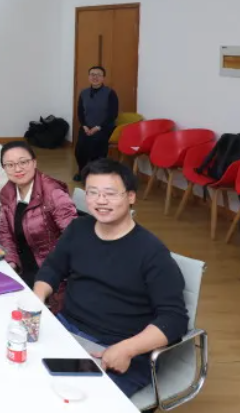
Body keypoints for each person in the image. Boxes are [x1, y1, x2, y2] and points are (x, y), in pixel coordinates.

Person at [33, 159, 188, 397]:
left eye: (110, 193)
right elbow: (52, 268)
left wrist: (127, 349)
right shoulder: (78, 229)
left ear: (131, 197)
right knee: (20, 374)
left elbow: (174, 319)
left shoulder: (152, 252)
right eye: (93, 192)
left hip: (118, 349)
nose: (100, 201)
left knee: (71, 400)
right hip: (66, 330)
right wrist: (37, 299)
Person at [0, 142, 76, 297]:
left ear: (34, 162)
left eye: (23, 162)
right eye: (10, 165)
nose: (17, 169)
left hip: (50, 276)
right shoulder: (8, 192)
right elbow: (5, 232)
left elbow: (72, 238)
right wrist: (11, 262)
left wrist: (49, 276)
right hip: (22, 267)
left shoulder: (53, 193)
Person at [75, 66, 119, 181]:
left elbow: (113, 114)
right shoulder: (83, 93)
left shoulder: (110, 93)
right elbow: (80, 112)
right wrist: (84, 126)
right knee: (80, 149)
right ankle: (82, 171)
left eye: (98, 75)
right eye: (92, 74)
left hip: (104, 127)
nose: (95, 77)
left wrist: (98, 127)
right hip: (87, 127)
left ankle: (94, 175)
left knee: (96, 144)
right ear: (89, 77)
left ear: (103, 78)